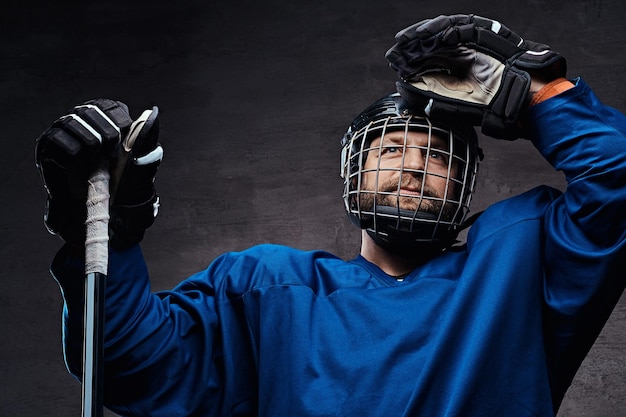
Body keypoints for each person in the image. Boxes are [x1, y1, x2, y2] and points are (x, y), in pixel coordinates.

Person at [35, 14, 626, 417]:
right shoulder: (263, 289)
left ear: (467, 180)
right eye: (392, 148)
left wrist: (538, 89)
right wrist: (112, 232)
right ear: (352, 170)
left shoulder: (520, 260)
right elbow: (128, 365)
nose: (415, 167)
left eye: (438, 155)